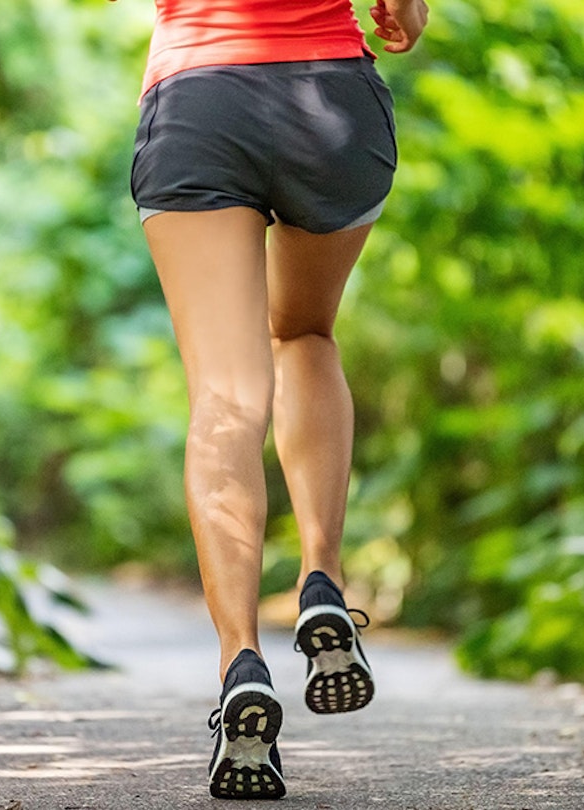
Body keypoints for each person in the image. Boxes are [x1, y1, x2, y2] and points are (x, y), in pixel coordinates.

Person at [121, 0, 428, 799]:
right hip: (330, 105)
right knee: (304, 336)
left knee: (225, 395)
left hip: (199, 98)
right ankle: (320, 582)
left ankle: (239, 665)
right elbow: (401, 11)